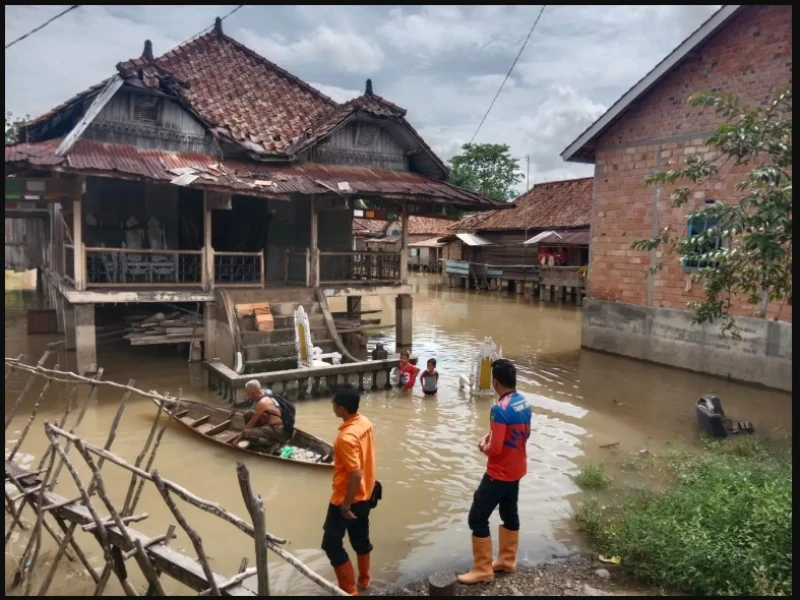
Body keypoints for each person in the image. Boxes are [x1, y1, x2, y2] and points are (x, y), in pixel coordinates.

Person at [457, 358, 532, 585]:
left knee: (477, 517)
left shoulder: (499, 410)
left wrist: (483, 445)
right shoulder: (524, 403)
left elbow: (495, 449)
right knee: (509, 512)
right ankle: (507, 561)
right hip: (517, 469)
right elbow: (521, 435)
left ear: (496, 382)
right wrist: (494, 437)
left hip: (498, 473)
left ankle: (483, 570)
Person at [322, 384, 377, 596]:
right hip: (367, 494)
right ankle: (364, 579)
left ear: (343, 409)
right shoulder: (365, 422)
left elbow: (355, 473)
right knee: (360, 538)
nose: (332, 407)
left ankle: (349, 591)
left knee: (331, 544)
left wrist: (345, 505)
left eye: (334, 404)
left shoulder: (345, 438)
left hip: (346, 499)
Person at [231, 380, 287, 449]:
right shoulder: (266, 394)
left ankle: (268, 443)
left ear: (252, 391)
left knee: (246, 433)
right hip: (277, 426)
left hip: (276, 430)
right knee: (248, 414)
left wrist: (236, 440)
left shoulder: (262, 403)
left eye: (247, 391)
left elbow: (252, 423)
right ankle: (256, 438)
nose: (247, 394)